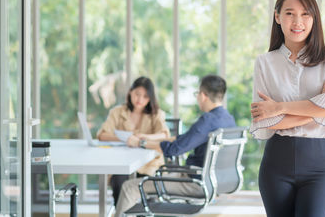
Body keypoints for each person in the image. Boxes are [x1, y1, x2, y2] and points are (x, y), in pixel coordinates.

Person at [250, 0, 325, 217]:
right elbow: (266, 120)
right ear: (277, 17)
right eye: (289, 13)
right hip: (276, 164)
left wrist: (279, 107)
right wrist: (319, 106)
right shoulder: (264, 63)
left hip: (319, 166)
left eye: (305, 14)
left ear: (314, 18)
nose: (298, 21)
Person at [114, 74, 236, 217]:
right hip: (212, 180)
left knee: (129, 187)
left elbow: (174, 150)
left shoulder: (207, 120)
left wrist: (140, 143)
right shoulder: (227, 119)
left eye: (197, 94)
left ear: (203, 95)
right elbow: (184, 139)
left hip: (194, 182)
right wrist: (147, 138)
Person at [97, 76, 170, 206]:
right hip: (122, 163)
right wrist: (125, 138)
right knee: (119, 180)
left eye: (145, 97)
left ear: (150, 98)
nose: (140, 100)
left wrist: (145, 137)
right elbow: (102, 135)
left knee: (147, 191)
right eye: (137, 94)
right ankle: (123, 213)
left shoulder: (156, 114)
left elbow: (164, 135)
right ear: (130, 92)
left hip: (149, 165)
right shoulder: (117, 112)